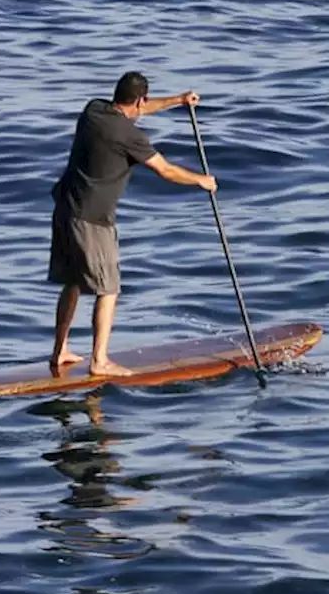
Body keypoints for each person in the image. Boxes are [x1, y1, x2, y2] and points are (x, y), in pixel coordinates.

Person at [47, 71, 218, 377]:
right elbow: (165, 170)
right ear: (140, 100)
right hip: (92, 221)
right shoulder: (129, 137)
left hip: (64, 209)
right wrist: (201, 181)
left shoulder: (94, 109)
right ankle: (99, 361)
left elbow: (138, 109)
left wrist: (178, 101)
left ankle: (60, 350)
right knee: (108, 289)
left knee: (73, 281)